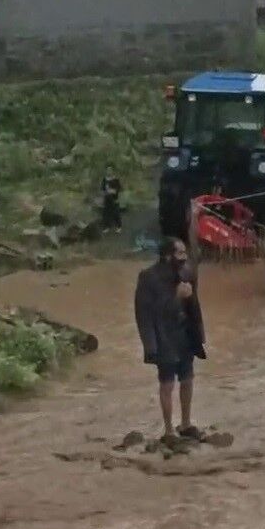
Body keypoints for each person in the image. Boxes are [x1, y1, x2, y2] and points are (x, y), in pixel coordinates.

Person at [134, 237, 206, 446]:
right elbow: (145, 313)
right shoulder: (148, 277)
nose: (184, 257)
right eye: (180, 253)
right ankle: (168, 429)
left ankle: (185, 423)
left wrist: (200, 335)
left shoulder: (187, 272)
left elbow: (195, 306)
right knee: (167, 383)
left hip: (184, 334)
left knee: (187, 379)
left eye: (185, 253)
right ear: (167, 256)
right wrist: (149, 345)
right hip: (163, 336)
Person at [101, 165, 122, 233]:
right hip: (107, 199)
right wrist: (104, 192)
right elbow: (102, 189)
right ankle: (107, 227)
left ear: (112, 171)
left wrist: (113, 191)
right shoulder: (104, 179)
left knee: (116, 213)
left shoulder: (115, 179)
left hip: (114, 199)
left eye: (110, 170)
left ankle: (118, 226)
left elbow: (119, 189)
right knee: (106, 214)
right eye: (107, 170)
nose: (109, 171)